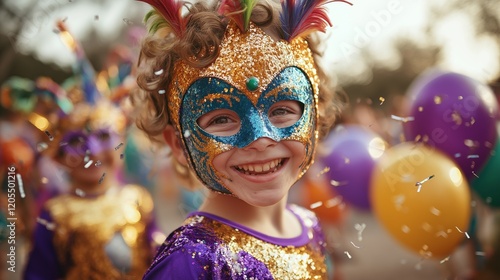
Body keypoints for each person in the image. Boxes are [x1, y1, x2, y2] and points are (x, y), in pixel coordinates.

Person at [132, 0, 348, 279]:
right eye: (221, 119)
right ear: (178, 144)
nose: (259, 138)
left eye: (281, 110)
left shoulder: (309, 226)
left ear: (315, 116)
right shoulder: (189, 263)